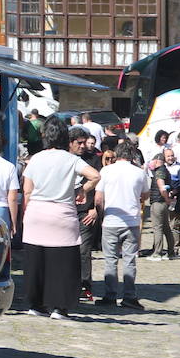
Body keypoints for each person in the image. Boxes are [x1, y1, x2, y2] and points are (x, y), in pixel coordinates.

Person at [20, 117, 99, 320]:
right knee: (62, 264)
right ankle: (59, 307)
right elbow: (95, 176)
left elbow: (27, 191)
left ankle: (35, 303)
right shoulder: (70, 159)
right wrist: (82, 190)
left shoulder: (36, 158)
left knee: (37, 261)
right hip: (61, 213)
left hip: (37, 212)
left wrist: (25, 214)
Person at [94, 140, 149, 309]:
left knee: (110, 260)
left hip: (111, 220)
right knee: (129, 260)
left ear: (116, 155)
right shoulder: (139, 173)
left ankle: (110, 295)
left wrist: (102, 215)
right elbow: (145, 195)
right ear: (132, 155)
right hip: (131, 221)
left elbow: (98, 198)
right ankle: (129, 296)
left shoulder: (106, 171)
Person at [69, 127, 102, 300]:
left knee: (84, 250)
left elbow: (99, 186)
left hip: (86, 212)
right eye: (79, 143)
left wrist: (95, 208)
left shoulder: (93, 161)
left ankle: (85, 285)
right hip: (66, 211)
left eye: (85, 142)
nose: (83, 146)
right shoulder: (64, 160)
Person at [146, 151, 177, 261]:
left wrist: (167, 199)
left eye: (153, 161)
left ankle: (157, 253)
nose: (152, 163)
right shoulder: (165, 170)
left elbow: (161, 187)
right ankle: (171, 252)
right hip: (163, 202)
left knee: (158, 228)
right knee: (166, 228)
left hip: (158, 202)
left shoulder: (159, 172)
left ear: (158, 160)